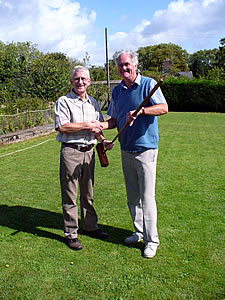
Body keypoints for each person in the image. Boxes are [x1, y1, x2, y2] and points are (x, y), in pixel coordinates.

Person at [100, 50, 168, 258]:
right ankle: (139, 231)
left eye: (127, 64)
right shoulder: (117, 91)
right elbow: (114, 119)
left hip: (146, 149)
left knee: (147, 197)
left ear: (135, 65)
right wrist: (99, 125)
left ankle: (151, 240)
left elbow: (164, 108)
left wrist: (142, 111)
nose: (124, 68)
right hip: (125, 149)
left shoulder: (148, 84)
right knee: (133, 197)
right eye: (120, 65)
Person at [54, 65, 113, 250]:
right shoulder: (63, 101)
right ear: (72, 81)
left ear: (89, 82)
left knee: (88, 193)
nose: (80, 82)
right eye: (76, 79)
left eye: (83, 79)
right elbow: (62, 127)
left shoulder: (93, 103)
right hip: (71, 152)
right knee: (70, 195)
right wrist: (87, 125)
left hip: (89, 152)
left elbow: (97, 129)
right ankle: (71, 233)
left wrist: (103, 141)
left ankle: (90, 226)